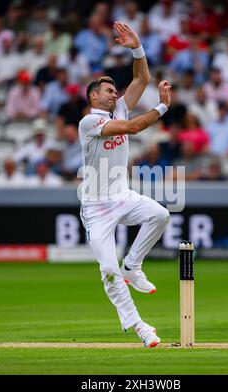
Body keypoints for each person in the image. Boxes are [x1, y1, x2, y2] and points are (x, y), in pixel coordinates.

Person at [78, 22, 171, 348]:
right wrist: (162, 108)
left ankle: (133, 265)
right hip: (96, 205)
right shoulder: (90, 121)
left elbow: (142, 79)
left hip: (122, 195)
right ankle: (141, 328)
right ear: (93, 96)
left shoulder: (118, 106)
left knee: (160, 215)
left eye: (114, 89)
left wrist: (137, 48)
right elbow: (131, 127)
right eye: (107, 90)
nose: (114, 93)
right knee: (107, 270)